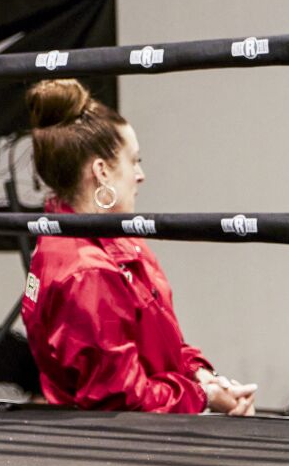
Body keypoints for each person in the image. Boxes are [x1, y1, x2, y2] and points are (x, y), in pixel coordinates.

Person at [21, 80, 256, 416]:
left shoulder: (119, 239)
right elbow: (121, 398)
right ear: (101, 172)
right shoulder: (86, 271)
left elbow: (163, 344)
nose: (141, 175)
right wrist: (202, 395)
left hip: (151, 436)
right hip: (119, 451)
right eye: (134, 161)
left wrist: (206, 377)